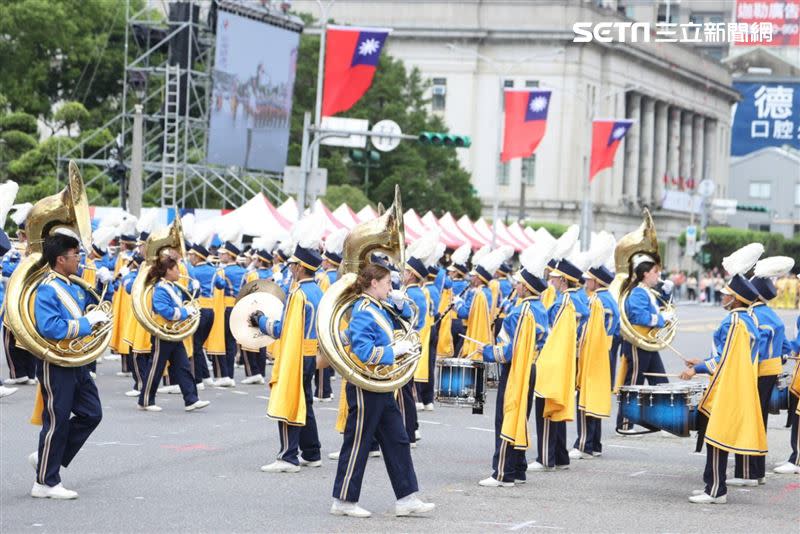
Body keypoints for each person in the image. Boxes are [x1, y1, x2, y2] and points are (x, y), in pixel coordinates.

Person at [330, 262, 435, 518]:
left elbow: (406, 323)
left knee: (398, 439)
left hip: (380, 387)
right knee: (358, 442)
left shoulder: (379, 306)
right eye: (388, 283)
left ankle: (406, 498)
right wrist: (393, 352)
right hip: (366, 387)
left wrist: (401, 306)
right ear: (374, 283)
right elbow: (363, 351)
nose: (391, 287)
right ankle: (343, 500)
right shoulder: (364, 310)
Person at [29, 233, 109, 499]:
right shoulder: (47, 288)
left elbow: (81, 315)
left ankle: (47, 457)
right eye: (75, 255)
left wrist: (95, 315)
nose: (79, 259)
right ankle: (45, 483)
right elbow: (49, 326)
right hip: (56, 362)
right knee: (57, 420)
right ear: (61, 259)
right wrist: (87, 323)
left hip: (76, 361)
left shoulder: (73, 286)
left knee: (92, 413)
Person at [680, 259, 765, 504]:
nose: (723, 297)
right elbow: (725, 356)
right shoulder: (748, 320)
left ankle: (716, 489)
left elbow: (725, 361)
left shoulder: (734, 322)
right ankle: (712, 484)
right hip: (737, 384)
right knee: (715, 436)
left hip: (727, 386)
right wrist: (702, 360)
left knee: (717, 436)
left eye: (727, 294)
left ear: (736, 299)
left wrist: (696, 369)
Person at [478, 245, 550, 487]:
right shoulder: (540, 309)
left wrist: (487, 351)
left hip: (517, 369)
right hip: (530, 368)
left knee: (506, 416)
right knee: (520, 415)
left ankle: (503, 473)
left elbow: (510, 351)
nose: (515, 286)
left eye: (519, 283)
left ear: (526, 287)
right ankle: (518, 469)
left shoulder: (522, 311)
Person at [254, 228, 323, 473]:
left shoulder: (299, 294)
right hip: (310, 353)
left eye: (294, 265)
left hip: (296, 354)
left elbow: (284, 328)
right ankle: (312, 452)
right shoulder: (317, 291)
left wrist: (261, 321)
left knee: (289, 400)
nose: (291, 268)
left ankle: (288, 456)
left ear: (301, 267)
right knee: (305, 400)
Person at [727, 256, 795, 485]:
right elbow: (785, 348)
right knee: (760, 421)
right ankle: (758, 471)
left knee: (748, 420)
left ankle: (748, 473)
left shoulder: (753, 315)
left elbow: (750, 348)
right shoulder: (772, 315)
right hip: (771, 372)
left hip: (756, 372)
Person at [531, 253, 588, 471]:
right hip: (569, 357)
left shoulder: (565, 301)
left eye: (555, 278)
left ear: (563, 280)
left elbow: (550, 332)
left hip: (554, 357)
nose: (551, 281)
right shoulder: (579, 299)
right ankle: (560, 456)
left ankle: (546, 458)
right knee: (558, 405)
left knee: (546, 404)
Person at [137, 255, 209, 413]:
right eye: (176, 268)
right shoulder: (161, 288)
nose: (179, 271)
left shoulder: (174, 286)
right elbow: (164, 310)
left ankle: (191, 399)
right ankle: (145, 400)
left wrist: (194, 292)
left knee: (183, 366)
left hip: (173, 333)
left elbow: (182, 303)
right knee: (156, 367)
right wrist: (185, 312)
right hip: (162, 333)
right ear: (168, 271)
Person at [571, 236, 618, 460]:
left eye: (589, 279)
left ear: (597, 281)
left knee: (585, 396)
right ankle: (595, 443)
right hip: (604, 351)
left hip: (593, 352)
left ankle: (584, 444)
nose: (586, 282)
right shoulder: (608, 298)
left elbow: (587, 331)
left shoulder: (596, 300)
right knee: (595, 395)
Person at [616, 253, 674, 432]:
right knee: (634, 383)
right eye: (655, 272)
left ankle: (665, 423)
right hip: (637, 342)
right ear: (645, 274)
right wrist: (660, 318)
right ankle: (625, 424)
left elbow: (662, 305)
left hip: (647, 342)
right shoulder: (638, 292)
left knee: (660, 382)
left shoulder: (648, 291)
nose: (658, 276)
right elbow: (638, 316)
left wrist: (667, 293)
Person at [213, 238, 246, 386]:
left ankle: (224, 375)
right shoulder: (244, 271)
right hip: (239, 307)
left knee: (222, 340)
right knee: (232, 342)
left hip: (225, 307)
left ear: (230, 255)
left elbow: (218, 287)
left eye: (223, 254)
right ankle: (230, 375)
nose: (220, 256)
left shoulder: (222, 271)